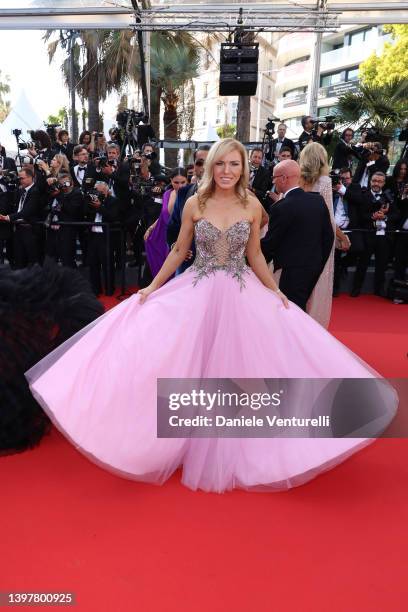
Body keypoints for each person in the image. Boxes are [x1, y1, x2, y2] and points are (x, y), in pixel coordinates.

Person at [26, 138, 396, 494]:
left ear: (243, 169)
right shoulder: (195, 203)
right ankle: (180, 440)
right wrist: (153, 287)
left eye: (235, 164)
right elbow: (178, 251)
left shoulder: (252, 204)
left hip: (240, 292)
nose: (227, 170)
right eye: (221, 163)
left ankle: (235, 441)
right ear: (210, 166)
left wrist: (275, 291)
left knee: (241, 366)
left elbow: (254, 255)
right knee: (185, 363)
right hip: (197, 290)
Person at [261, 158, 334, 314]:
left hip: (291, 271)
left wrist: (252, 260)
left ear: (283, 178)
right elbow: (328, 237)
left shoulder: (281, 207)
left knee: (292, 311)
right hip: (313, 268)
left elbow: (271, 243)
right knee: (299, 308)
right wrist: (319, 263)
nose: (273, 181)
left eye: (274, 177)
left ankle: (296, 339)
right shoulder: (318, 201)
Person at [298, 143, 336, 328]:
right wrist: (341, 237)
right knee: (316, 284)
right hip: (316, 240)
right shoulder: (325, 182)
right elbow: (328, 217)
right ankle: (311, 326)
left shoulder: (297, 179)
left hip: (296, 238)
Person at [144, 167, 188, 278]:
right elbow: (163, 214)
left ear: (187, 181)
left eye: (183, 182)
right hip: (161, 234)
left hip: (177, 237)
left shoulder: (190, 196)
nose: (180, 186)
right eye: (176, 182)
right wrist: (151, 228)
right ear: (171, 181)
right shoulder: (167, 194)